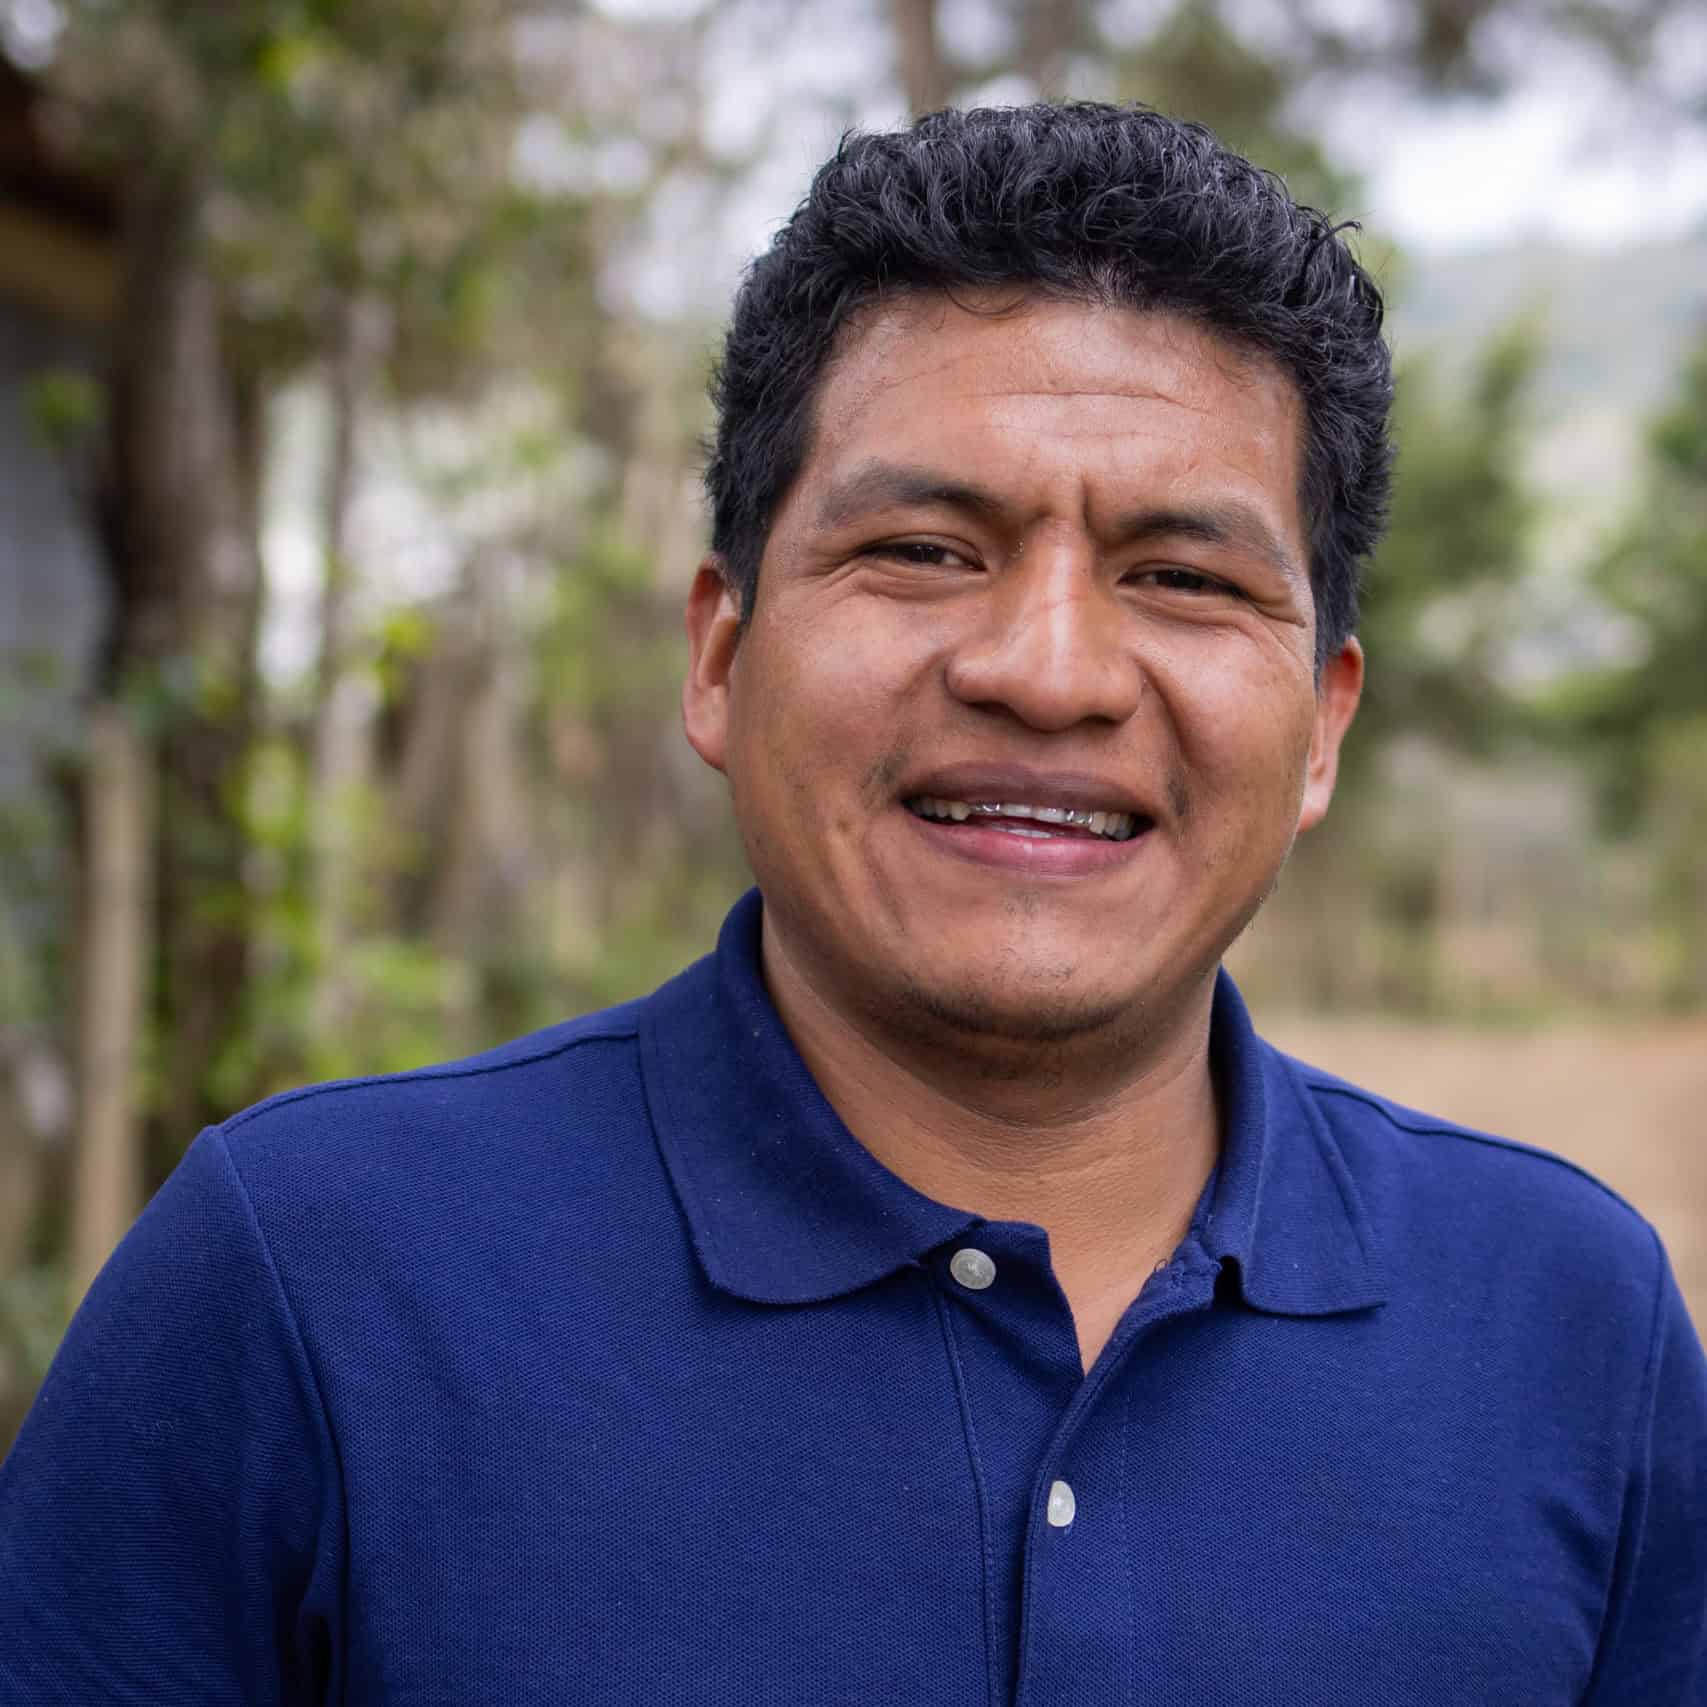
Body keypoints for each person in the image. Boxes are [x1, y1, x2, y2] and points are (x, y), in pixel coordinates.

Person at [2, 102, 1703, 1705]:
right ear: (723, 657)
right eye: (925, 551)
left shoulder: (1570, 1326)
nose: (1047, 674)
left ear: (1323, 725)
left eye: (1183, 577)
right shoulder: (309, 1280)